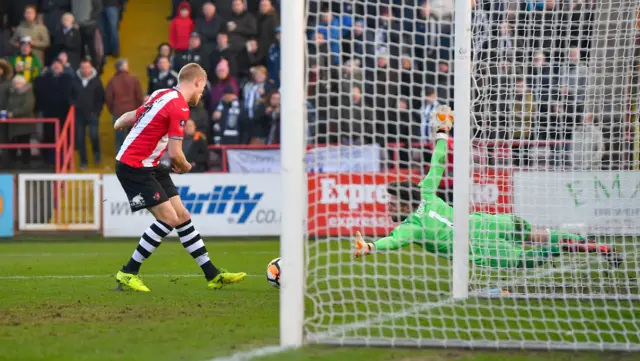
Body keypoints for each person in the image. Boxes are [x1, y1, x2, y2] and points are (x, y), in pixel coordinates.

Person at [353, 105, 623, 270]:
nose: (388, 207)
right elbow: (438, 162)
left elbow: (393, 240)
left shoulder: (411, 226)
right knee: (536, 234)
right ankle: (598, 248)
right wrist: (443, 131)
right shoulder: (425, 191)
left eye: (392, 202)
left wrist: (370, 247)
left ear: (404, 203)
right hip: (489, 223)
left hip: (480, 246)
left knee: (524, 260)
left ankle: (566, 245)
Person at [112, 63, 246, 292]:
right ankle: (128, 272)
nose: (202, 94)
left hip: (149, 164)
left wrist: (118, 124)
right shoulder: (180, 107)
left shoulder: (160, 93)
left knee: (182, 216)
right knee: (168, 219)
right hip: (134, 166)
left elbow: (130, 117)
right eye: (202, 88)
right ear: (197, 82)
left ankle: (212, 275)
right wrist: (186, 166)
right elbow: (175, 154)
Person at [71, 59, 105, 169]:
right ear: (80, 69)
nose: (85, 70)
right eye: (83, 67)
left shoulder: (96, 81)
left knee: (93, 135)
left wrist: (96, 112)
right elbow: (70, 95)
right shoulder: (74, 80)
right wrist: (74, 105)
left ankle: (97, 154)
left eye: (87, 67)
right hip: (78, 115)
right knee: (80, 138)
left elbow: (101, 98)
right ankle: (83, 161)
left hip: (92, 114)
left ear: (91, 68)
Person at [106, 58, 143, 153]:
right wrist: (138, 110)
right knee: (133, 138)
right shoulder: (134, 79)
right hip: (132, 112)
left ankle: (120, 160)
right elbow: (139, 97)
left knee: (119, 140)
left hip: (118, 113)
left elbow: (109, 98)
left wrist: (113, 110)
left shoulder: (112, 81)